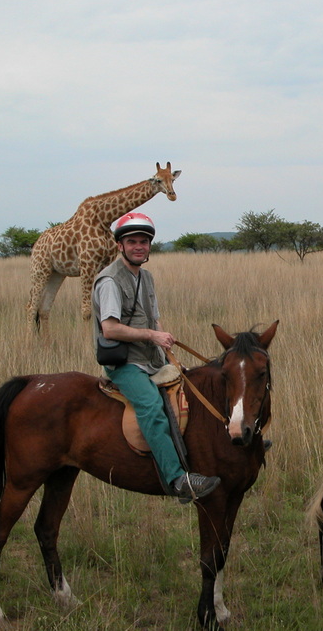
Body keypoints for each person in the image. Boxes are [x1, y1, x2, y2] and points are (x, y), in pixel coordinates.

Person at [92, 211, 220, 503]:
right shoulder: (110, 280)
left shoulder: (145, 277)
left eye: (144, 241)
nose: (139, 246)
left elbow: (154, 319)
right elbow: (110, 329)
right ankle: (177, 480)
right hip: (125, 364)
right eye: (132, 241)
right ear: (120, 246)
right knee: (151, 406)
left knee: (196, 384)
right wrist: (152, 336)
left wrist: (166, 346)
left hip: (153, 359)